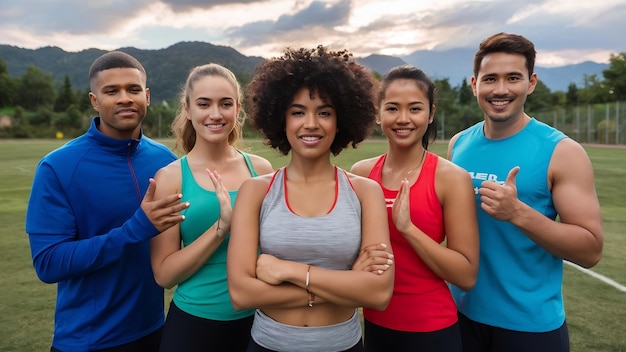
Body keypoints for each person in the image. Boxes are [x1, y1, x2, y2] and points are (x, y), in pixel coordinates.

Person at [226, 45, 395, 352]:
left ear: (341, 119)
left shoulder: (364, 192)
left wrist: (288, 271)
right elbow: (241, 293)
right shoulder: (256, 190)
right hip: (269, 344)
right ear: (281, 118)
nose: (311, 123)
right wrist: (346, 283)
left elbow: (379, 293)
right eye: (298, 112)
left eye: (325, 112)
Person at [447, 32, 604, 352]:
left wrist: (517, 212)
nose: (501, 89)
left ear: (531, 82)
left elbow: (590, 251)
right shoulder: (458, 144)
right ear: (474, 84)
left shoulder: (562, 152)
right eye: (490, 78)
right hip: (460, 316)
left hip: (529, 327)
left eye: (513, 78)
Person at [25, 51, 189, 351]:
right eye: (112, 91)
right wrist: (134, 230)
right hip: (88, 340)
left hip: (156, 331)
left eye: (134, 89)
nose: (125, 98)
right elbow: (48, 263)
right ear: (94, 100)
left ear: (148, 96)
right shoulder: (58, 167)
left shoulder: (166, 161)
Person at [350, 65, 479, 351]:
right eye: (393, 108)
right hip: (375, 324)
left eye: (415, 109)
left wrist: (408, 229)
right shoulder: (361, 174)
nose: (403, 119)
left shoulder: (451, 178)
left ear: (431, 114)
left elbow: (466, 275)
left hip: (431, 329)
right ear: (378, 113)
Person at [149, 63, 273, 351]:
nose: (215, 114)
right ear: (188, 110)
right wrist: (220, 229)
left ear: (238, 108)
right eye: (204, 104)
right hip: (195, 326)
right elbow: (164, 275)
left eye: (225, 104)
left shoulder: (261, 170)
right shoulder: (170, 178)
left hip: (261, 321)